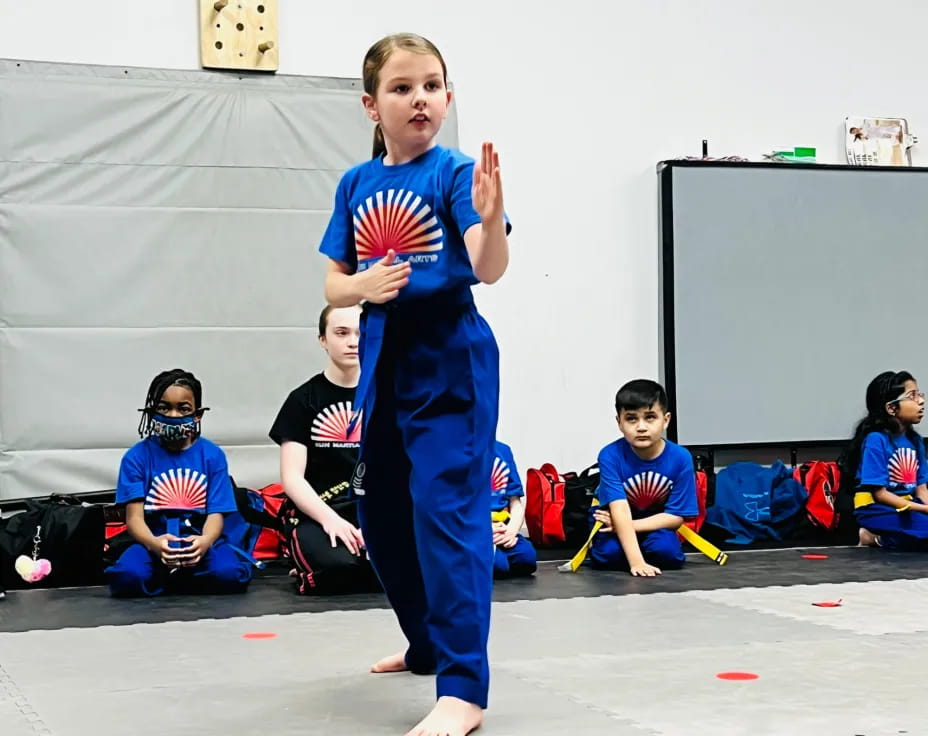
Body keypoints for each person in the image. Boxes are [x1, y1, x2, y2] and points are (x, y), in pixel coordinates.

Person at [319, 32, 510, 736]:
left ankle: (464, 688)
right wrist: (361, 285)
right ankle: (425, 645)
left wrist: (491, 220)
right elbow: (334, 279)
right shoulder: (356, 183)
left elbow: (487, 268)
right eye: (402, 88)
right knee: (382, 516)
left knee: (445, 514)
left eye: (431, 85)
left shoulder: (455, 173)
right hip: (382, 353)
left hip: (449, 351)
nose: (418, 98)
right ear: (373, 105)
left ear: (448, 97)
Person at [104, 369, 253, 596]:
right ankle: (175, 576)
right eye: (164, 408)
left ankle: (175, 578)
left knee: (229, 574)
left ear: (198, 415)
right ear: (152, 411)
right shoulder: (136, 457)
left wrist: (204, 542)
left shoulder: (213, 456)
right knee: (127, 576)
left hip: (200, 538)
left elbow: (216, 514)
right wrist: (154, 545)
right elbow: (134, 519)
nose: (173, 415)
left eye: (183, 409)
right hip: (153, 539)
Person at [268, 304, 379, 594]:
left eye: (360, 333)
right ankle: (302, 556)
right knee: (338, 569)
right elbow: (292, 478)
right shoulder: (303, 400)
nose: (353, 342)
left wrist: (380, 522)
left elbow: (397, 469)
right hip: (318, 513)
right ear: (323, 340)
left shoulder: (385, 396)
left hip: (373, 509)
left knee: (408, 569)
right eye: (341, 333)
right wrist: (331, 520)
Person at [590, 379, 698, 576]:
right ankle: (627, 551)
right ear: (619, 423)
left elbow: (675, 518)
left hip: (653, 523)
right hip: (612, 520)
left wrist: (627, 527)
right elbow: (620, 510)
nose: (641, 427)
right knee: (608, 556)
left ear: (665, 420)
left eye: (650, 418)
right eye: (631, 419)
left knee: (668, 555)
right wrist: (637, 563)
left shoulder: (681, 458)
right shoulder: (610, 455)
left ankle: (641, 548)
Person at [841, 370, 928, 550]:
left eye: (919, 394)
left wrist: (923, 507)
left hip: (907, 505)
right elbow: (879, 494)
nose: (921, 401)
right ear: (891, 408)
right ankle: (873, 537)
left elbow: (921, 489)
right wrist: (923, 510)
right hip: (876, 508)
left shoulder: (915, 442)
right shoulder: (876, 440)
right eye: (912, 396)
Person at [490, 441, 536, 579]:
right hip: (471, 527)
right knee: (499, 566)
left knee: (527, 558)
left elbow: (515, 501)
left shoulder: (503, 450)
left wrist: (511, 531)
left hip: (501, 526)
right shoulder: (453, 451)